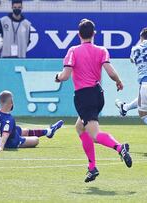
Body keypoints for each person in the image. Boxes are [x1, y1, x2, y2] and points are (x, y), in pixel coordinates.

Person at [55, 19, 132, 183]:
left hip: (84, 96)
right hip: (98, 94)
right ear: (94, 34)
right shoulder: (101, 50)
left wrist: (57, 77)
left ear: (78, 34)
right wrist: (118, 81)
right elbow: (109, 70)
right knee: (80, 128)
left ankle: (120, 148)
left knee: (94, 134)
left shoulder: (73, 51)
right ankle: (92, 168)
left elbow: (65, 76)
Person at [0, 74, 63, 151]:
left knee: (22, 130)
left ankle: (49, 132)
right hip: (11, 143)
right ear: (10, 103)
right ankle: (48, 132)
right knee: (36, 140)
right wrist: (0, 147)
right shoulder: (8, 119)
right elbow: (5, 135)